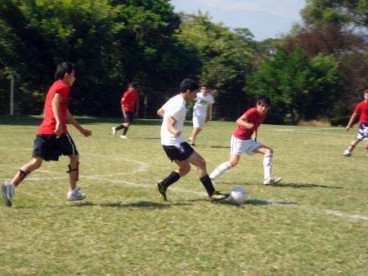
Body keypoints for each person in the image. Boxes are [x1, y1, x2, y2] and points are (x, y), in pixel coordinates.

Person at [1, 62, 92, 207]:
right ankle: (73, 191)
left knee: (36, 162)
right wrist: (58, 123)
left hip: (43, 130)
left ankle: (11, 186)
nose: (75, 78)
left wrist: (80, 129)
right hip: (57, 131)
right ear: (67, 75)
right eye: (74, 75)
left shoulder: (55, 86)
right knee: (74, 156)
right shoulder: (63, 87)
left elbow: (65, 111)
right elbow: (56, 102)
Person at [155, 78, 229, 202]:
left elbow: (160, 112)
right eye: (195, 93)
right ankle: (212, 193)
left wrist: (169, 117)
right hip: (174, 142)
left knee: (185, 169)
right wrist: (175, 130)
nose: (195, 97)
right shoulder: (180, 106)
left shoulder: (174, 99)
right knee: (201, 162)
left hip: (167, 142)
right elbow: (169, 124)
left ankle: (163, 185)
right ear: (188, 91)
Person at [209, 96, 282, 185]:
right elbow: (238, 120)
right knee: (233, 162)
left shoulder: (264, 114)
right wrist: (246, 125)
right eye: (262, 105)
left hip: (248, 140)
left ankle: (267, 178)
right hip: (238, 139)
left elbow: (256, 125)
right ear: (257, 104)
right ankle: (210, 177)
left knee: (268, 151)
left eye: (266, 106)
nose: (263, 108)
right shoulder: (252, 111)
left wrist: (255, 135)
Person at [343, 89, 368, 157]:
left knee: (358, 138)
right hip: (364, 124)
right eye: (367, 95)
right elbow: (354, 115)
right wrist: (349, 125)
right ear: (364, 96)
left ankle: (347, 151)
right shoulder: (360, 105)